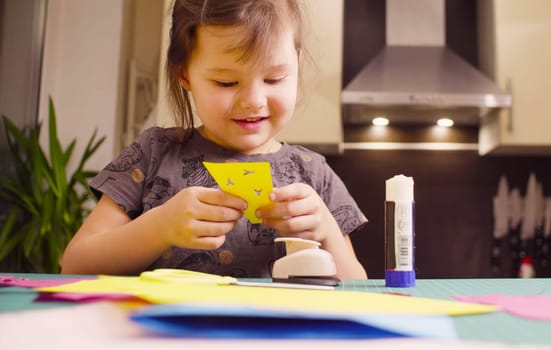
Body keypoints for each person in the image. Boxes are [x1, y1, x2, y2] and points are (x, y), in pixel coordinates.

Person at [61, 0, 368, 279]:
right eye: (226, 82)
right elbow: (75, 264)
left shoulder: (313, 173)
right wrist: (159, 227)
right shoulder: (152, 154)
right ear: (184, 74)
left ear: (297, 66)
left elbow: (357, 285)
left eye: (273, 79)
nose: (253, 100)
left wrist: (326, 230)